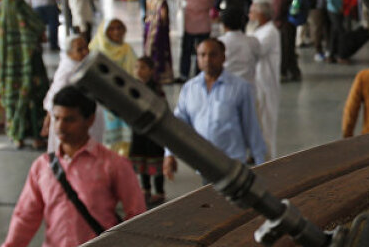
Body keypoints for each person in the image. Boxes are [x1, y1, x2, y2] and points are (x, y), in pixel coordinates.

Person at [0, 86, 145, 247]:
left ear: (89, 120)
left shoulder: (113, 164)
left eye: (69, 119)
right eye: (56, 118)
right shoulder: (42, 167)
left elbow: (137, 215)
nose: (60, 127)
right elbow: (25, 217)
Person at [163, 38, 267, 180]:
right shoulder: (189, 89)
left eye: (213, 55)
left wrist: (262, 165)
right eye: (202, 55)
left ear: (223, 57)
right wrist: (169, 154)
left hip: (233, 165)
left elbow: (251, 127)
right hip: (204, 164)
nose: (207, 60)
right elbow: (178, 125)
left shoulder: (240, 88)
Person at [0, 0, 50, 149]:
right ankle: (37, 136)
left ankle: (18, 135)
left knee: (14, 98)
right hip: (32, 63)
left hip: (10, 66)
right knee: (35, 99)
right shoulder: (28, 11)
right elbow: (41, 33)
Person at [43, 36, 103, 155]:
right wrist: (50, 116)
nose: (85, 52)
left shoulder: (83, 65)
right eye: (79, 50)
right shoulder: (67, 71)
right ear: (69, 53)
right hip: (72, 119)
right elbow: (55, 97)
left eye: (86, 48)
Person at [89, 19, 138, 154]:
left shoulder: (127, 50)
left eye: (119, 28)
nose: (116, 32)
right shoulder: (95, 52)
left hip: (123, 98)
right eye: (112, 29)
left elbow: (135, 73)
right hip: (102, 101)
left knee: (124, 137)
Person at [130, 57, 168, 207]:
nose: (138, 70)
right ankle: (145, 189)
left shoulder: (157, 89)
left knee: (155, 161)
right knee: (141, 162)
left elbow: (162, 109)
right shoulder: (133, 87)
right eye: (136, 67)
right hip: (138, 131)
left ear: (151, 71)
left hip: (154, 132)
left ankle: (159, 191)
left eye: (143, 67)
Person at [250, 1, 281, 159]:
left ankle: (269, 160)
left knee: (267, 125)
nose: (251, 15)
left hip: (267, 84)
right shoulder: (259, 30)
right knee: (258, 123)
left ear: (261, 14)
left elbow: (258, 50)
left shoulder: (270, 32)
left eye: (253, 12)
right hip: (257, 84)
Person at [179, 0, 215, 81]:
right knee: (203, 51)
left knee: (187, 50)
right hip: (204, 24)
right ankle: (199, 73)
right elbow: (211, 5)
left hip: (190, 24)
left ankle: (184, 73)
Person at [217, 8, 261, 86]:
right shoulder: (253, 41)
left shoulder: (218, 43)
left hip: (226, 87)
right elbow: (257, 59)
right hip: (249, 86)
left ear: (223, 25)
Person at [142, 0, 174, 85]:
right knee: (160, 52)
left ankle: (149, 73)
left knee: (149, 49)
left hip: (148, 26)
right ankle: (161, 76)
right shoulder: (162, 1)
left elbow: (147, 12)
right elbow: (164, 16)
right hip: (159, 29)